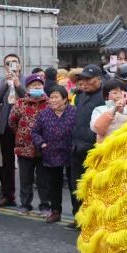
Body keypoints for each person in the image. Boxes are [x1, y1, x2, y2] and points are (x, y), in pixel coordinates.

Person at [31, 86, 77, 223]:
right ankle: (56, 211)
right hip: (51, 153)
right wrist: (42, 143)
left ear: (64, 99)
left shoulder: (74, 112)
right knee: (54, 185)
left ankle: (78, 215)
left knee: (73, 185)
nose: (53, 100)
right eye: (51, 97)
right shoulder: (44, 114)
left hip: (71, 153)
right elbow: (34, 132)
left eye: (57, 97)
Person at [8, 73, 49, 215]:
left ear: (43, 86)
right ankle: (25, 204)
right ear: (27, 88)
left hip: (44, 149)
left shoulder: (49, 103)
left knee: (44, 181)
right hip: (24, 147)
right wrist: (21, 134)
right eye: (33, 85)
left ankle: (45, 206)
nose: (37, 87)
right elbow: (12, 121)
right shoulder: (20, 103)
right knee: (25, 179)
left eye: (39, 85)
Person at [69, 64, 104, 219]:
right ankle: (78, 218)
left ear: (99, 79)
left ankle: (91, 220)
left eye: (89, 79)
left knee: (92, 188)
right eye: (83, 79)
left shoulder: (105, 97)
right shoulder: (80, 96)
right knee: (75, 185)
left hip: (93, 149)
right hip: (76, 147)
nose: (85, 82)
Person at [0, 53, 25, 207]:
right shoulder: (2, 81)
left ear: (19, 65)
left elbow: (30, 97)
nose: (11, 65)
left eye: (14, 62)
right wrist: (7, 83)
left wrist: (17, 84)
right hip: (5, 125)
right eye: (8, 63)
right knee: (7, 163)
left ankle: (27, 200)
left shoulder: (26, 80)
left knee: (26, 164)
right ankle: (7, 195)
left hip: (23, 127)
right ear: (4, 66)